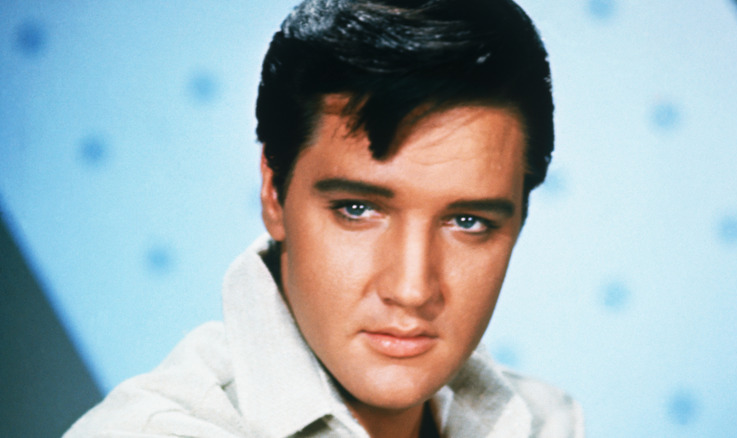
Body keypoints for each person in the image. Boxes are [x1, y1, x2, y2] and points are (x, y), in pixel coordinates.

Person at [66, 0, 584, 436]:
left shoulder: (545, 421)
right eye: (357, 210)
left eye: (468, 221)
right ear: (274, 191)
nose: (411, 289)